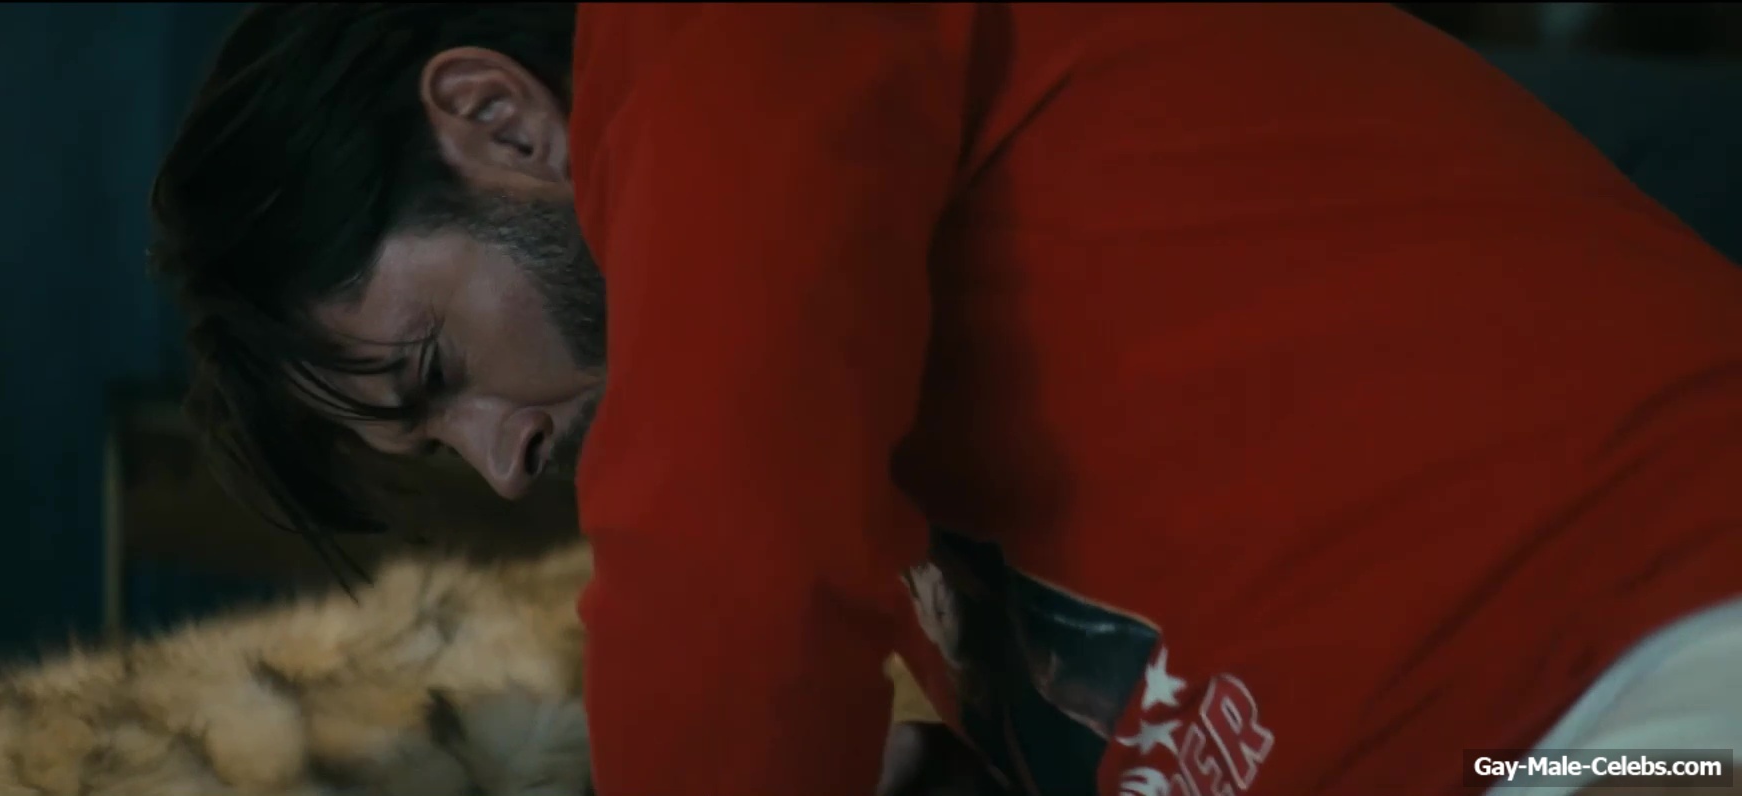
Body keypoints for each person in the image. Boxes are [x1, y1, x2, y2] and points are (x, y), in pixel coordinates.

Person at [148, 4, 1742, 795]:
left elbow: (728, 591)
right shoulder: (849, 385)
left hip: (1658, 663)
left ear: (498, 120)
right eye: (432, 444)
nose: (501, 467)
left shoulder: (717, 41)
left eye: (436, 374)